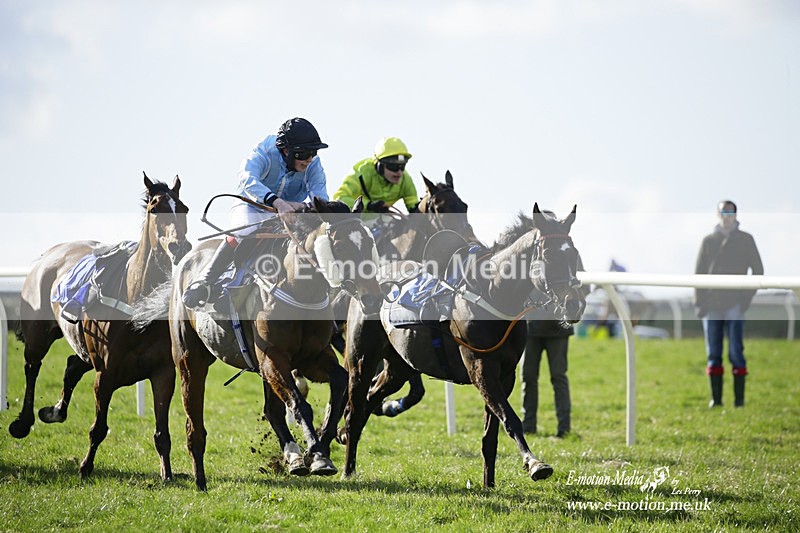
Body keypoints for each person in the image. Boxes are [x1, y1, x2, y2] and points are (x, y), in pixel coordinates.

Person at [182, 117, 329, 308]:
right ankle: (205, 281)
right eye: (304, 153)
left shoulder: (312, 164)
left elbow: (320, 196)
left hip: (289, 212)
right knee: (243, 231)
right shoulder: (265, 151)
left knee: (312, 241)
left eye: (313, 153)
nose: (310, 159)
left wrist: (304, 207)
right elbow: (247, 177)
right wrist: (277, 202)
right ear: (286, 151)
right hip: (253, 206)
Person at [694, 200, 763, 408]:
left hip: (735, 304)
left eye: (730, 213)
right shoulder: (708, 241)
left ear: (735, 215)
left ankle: (739, 401)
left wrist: (745, 300)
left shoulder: (746, 240)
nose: (726, 217)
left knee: (735, 352)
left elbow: (758, 270)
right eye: (723, 213)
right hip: (712, 305)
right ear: (718, 215)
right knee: (713, 354)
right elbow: (698, 273)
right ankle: (716, 400)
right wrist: (700, 303)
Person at [521, 295, 574, 438]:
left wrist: (570, 305)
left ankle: (564, 429)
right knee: (528, 377)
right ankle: (527, 427)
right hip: (530, 327)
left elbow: (583, 286)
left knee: (558, 377)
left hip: (559, 329)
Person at [333, 137, 419, 214]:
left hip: (383, 223)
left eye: (402, 166)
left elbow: (414, 207)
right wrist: (369, 205)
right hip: (357, 223)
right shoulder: (361, 174)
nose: (399, 172)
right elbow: (340, 198)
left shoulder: (405, 179)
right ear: (380, 165)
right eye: (394, 166)